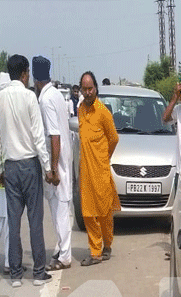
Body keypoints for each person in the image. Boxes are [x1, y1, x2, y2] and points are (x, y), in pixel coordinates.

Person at [0, 54, 54, 287]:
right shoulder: (30, 97)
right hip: (30, 165)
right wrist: (47, 167)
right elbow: (38, 136)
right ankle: (38, 273)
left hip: (10, 166)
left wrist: (0, 167)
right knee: (35, 220)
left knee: (14, 222)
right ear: (24, 73)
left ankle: (16, 274)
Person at [33, 56, 73, 271]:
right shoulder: (56, 94)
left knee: (59, 210)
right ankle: (61, 248)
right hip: (63, 158)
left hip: (57, 162)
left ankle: (65, 255)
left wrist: (53, 169)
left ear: (34, 78)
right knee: (61, 208)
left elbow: (54, 135)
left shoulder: (46, 99)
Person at [77, 71, 119, 266]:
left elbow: (114, 139)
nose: (87, 92)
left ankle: (107, 245)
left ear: (96, 88)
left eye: (90, 88)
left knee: (104, 212)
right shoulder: (80, 110)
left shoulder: (103, 112)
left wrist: (103, 158)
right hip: (85, 171)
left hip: (101, 170)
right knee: (87, 213)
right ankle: (95, 252)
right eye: (84, 89)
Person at [0, 72, 10, 275]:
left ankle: (8, 260)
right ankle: (8, 262)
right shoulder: (2, 110)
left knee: (1, 218)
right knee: (4, 219)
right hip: (2, 172)